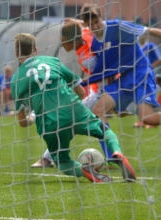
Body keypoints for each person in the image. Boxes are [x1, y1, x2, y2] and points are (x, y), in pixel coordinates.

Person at [10, 32, 136, 183]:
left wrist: (33, 117)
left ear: (17, 54)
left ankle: (83, 169)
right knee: (105, 132)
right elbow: (81, 92)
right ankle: (117, 152)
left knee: (62, 162)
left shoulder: (16, 80)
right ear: (36, 49)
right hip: (73, 110)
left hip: (49, 122)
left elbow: (22, 122)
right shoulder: (52, 61)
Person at [31, 21, 117, 169]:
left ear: (74, 41)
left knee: (69, 118)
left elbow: (102, 71)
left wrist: (80, 83)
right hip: (100, 89)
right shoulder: (82, 35)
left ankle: (46, 158)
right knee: (75, 121)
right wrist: (76, 22)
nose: (62, 45)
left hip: (103, 90)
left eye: (64, 42)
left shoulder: (87, 55)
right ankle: (112, 156)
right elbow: (84, 27)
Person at [80, 3, 161, 128]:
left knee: (147, 119)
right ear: (86, 25)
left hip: (141, 72)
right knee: (98, 111)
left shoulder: (117, 27)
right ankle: (112, 148)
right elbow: (108, 68)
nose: (96, 26)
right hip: (124, 78)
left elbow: (148, 31)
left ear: (101, 16)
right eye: (92, 24)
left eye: (97, 21)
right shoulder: (95, 45)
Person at [133, 34, 161, 128]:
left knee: (149, 97)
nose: (141, 37)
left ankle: (151, 121)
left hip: (151, 77)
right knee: (140, 97)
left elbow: (160, 58)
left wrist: (150, 66)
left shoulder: (151, 46)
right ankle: (145, 120)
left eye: (143, 35)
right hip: (139, 77)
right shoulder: (135, 48)